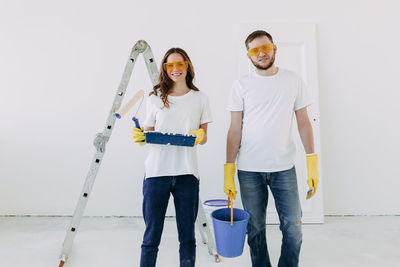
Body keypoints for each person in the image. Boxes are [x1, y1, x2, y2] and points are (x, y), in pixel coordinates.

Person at [224, 30, 319, 267]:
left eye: (265, 48)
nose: (262, 54)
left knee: (294, 228)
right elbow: (234, 129)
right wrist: (229, 169)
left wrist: (312, 162)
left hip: (283, 167)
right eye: (255, 50)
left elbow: (304, 122)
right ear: (249, 56)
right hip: (249, 169)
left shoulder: (293, 80)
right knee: (254, 230)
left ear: (274, 48)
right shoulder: (241, 85)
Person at [131, 47, 212, 267]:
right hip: (156, 174)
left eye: (180, 64)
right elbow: (148, 133)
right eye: (170, 65)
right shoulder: (155, 97)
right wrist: (141, 136)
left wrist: (200, 135)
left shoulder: (200, 98)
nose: (175, 69)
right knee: (151, 237)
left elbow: (203, 137)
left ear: (187, 66)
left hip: (187, 174)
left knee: (187, 237)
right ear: (165, 69)